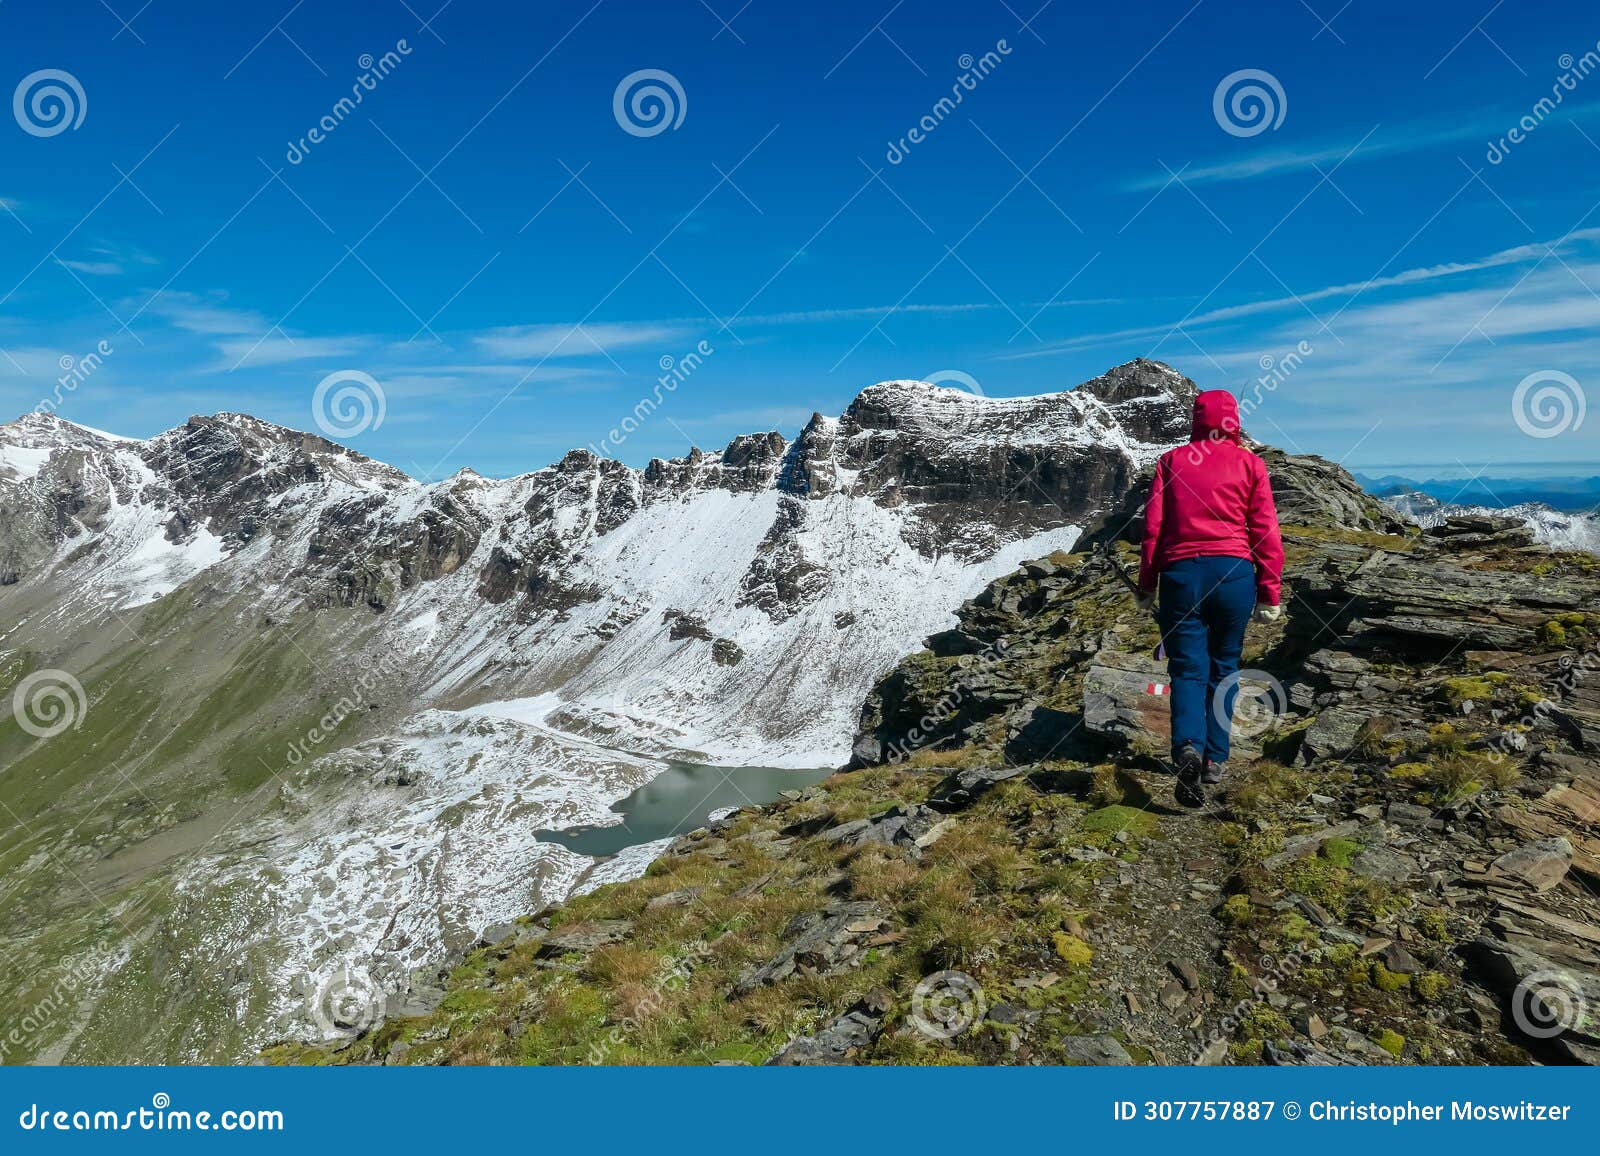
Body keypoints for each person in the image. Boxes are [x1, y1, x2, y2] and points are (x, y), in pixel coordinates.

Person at [1136, 390, 1284, 808]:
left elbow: (1154, 529)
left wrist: (1148, 584)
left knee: (1187, 670)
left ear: (1196, 419)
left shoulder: (1173, 461)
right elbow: (1266, 532)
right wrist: (1269, 591)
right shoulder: (1251, 464)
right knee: (1225, 667)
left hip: (1182, 575)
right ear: (1234, 419)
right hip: (1234, 574)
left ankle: (1186, 746)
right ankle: (1215, 759)